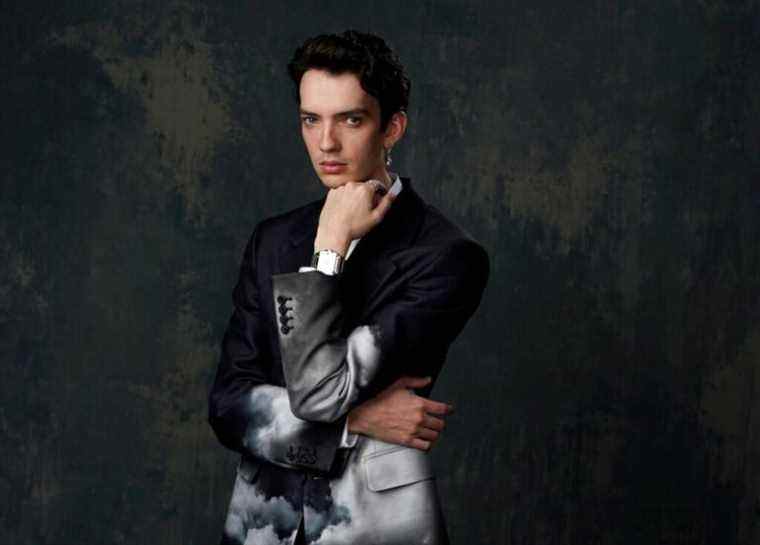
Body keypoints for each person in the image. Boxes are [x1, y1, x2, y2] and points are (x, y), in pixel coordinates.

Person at [208, 29, 489, 545]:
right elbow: (227, 404)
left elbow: (318, 393)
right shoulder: (271, 239)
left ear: (392, 128)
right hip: (260, 524)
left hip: (373, 527)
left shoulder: (445, 257)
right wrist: (356, 422)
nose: (326, 143)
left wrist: (330, 249)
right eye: (310, 120)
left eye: (350, 120)